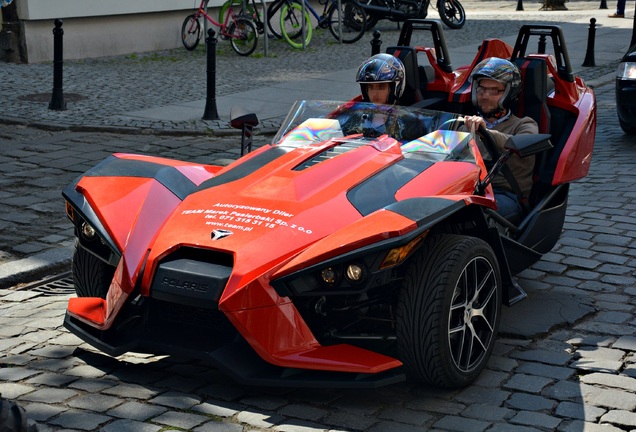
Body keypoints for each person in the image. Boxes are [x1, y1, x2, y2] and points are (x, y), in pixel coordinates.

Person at [462, 57, 538, 222]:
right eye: (482, 89)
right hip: (467, 191)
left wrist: (485, 131)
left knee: (473, 215)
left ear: (509, 93)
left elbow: (520, 144)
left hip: (505, 194)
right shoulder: (466, 123)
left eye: (495, 91)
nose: (486, 96)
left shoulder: (524, 124)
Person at [336, 53, 426, 142]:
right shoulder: (356, 117)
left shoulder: (408, 122)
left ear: (395, 88)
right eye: (371, 87)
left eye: (381, 87)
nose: (375, 93)